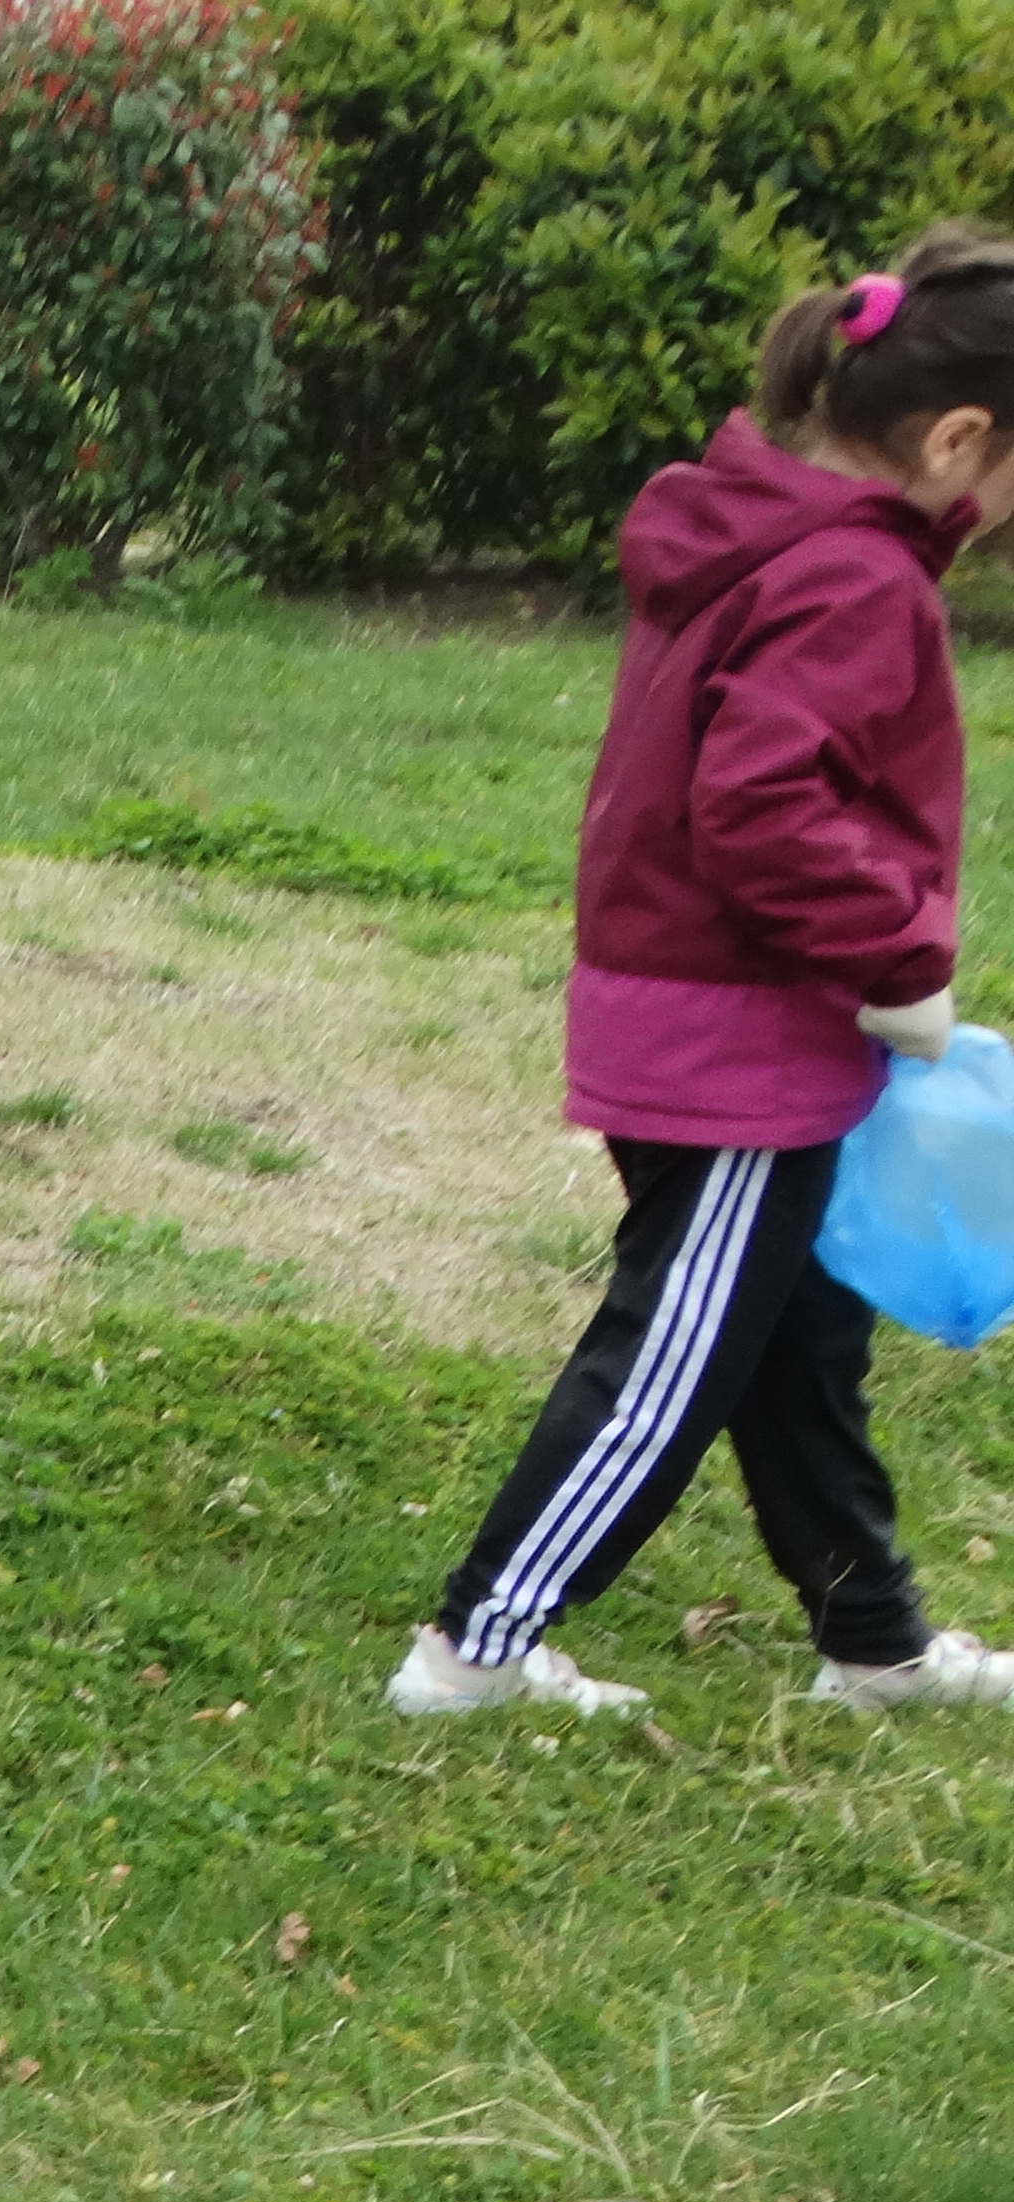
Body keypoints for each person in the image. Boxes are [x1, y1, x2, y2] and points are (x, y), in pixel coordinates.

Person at [402, 233, 1014, 1715]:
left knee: (799, 1337)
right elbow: (760, 807)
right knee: (679, 1351)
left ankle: (871, 1640)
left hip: (698, 1010)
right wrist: (899, 953)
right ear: (958, 442)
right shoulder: (856, 580)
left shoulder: (753, 528)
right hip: (739, 1045)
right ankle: (477, 1646)